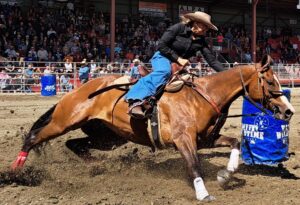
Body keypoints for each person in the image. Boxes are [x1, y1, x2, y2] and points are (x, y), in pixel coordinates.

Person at [124, 11, 226, 119]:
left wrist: (227, 73)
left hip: (178, 65)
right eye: (205, 27)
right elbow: (161, 45)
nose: (206, 30)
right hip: (162, 57)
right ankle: (134, 100)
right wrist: (178, 59)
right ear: (196, 23)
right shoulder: (178, 28)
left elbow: (212, 60)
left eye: (207, 28)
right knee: (164, 71)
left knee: (190, 83)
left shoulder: (201, 41)